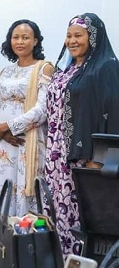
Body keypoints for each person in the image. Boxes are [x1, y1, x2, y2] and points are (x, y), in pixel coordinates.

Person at [45, 13, 119, 256]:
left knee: (78, 217)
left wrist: (100, 157)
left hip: (82, 157)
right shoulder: (67, 67)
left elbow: (113, 111)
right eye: (68, 36)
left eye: (79, 35)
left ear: (93, 37)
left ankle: (79, 261)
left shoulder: (106, 66)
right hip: (56, 154)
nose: (72, 41)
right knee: (57, 212)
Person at [0, 19, 53, 217]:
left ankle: (29, 241)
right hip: (5, 144)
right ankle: (4, 241)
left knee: (27, 189)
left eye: (25, 37)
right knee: (4, 188)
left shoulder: (43, 68)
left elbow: (42, 109)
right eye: (16, 37)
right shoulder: (6, 71)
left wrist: (9, 126)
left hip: (28, 140)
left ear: (36, 41)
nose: (20, 41)